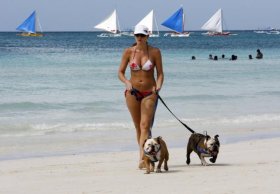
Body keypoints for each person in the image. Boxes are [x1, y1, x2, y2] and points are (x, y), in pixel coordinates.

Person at [118, 25, 164, 169]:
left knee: (145, 125)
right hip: (132, 93)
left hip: (149, 93)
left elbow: (161, 73)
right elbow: (120, 72)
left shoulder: (155, 52)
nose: (139, 38)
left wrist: (158, 86)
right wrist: (126, 82)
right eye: (137, 35)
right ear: (134, 36)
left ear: (147, 36)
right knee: (138, 127)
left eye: (142, 35)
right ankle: (146, 155)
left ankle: (142, 159)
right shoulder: (128, 52)